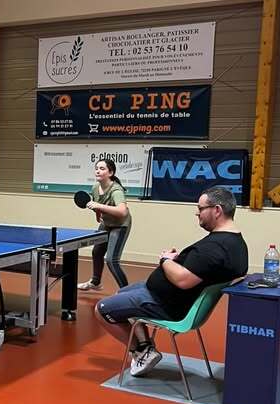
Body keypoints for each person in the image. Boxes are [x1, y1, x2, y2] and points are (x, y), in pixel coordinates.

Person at [95, 186, 248, 378]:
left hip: (167, 305)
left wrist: (165, 260)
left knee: (101, 309)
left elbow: (183, 280)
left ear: (217, 210)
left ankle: (141, 351)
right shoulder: (235, 243)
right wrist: (180, 259)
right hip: (166, 296)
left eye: (200, 209)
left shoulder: (215, 248)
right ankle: (146, 346)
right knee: (122, 292)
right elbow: (202, 267)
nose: (197, 213)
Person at [77, 158, 131, 291]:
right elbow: (97, 205)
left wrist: (99, 206)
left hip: (120, 225)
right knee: (97, 252)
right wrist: (97, 213)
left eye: (102, 169)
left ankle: (126, 291)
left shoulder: (116, 190)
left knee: (112, 260)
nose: (98, 171)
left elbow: (122, 212)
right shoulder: (95, 187)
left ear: (110, 173)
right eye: (96, 168)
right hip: (106, 223)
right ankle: (95, 283)